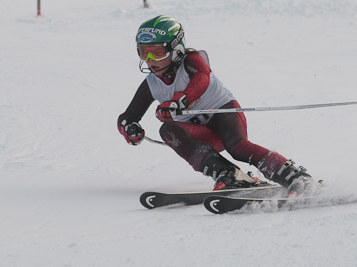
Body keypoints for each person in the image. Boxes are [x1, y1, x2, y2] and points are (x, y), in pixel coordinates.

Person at [117, 15, 312, 194]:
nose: (151, 61)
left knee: (237, 146)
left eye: (157, 53)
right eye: (144, 53)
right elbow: (127, 116)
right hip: (201, 133)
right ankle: (229, 175)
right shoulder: (152, 83)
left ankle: (294, 175)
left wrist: (180, 101)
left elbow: (202, 78)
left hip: (224, 114)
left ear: (175, 49)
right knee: (167, 130)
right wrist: (129, 128)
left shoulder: (192, 60)